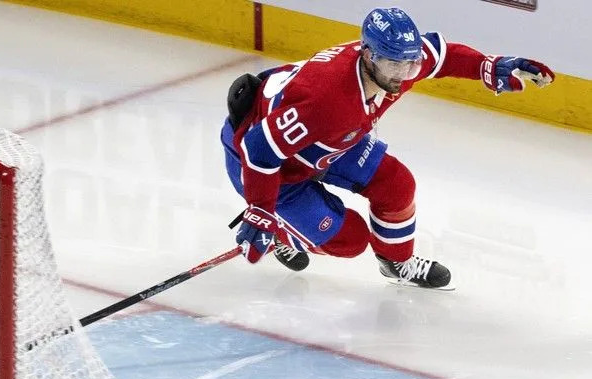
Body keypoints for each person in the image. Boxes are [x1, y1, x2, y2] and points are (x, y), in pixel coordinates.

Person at [220, 6, 554, 288]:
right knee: (350, 241)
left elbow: (443, 57)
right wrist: (261, 210)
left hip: (329, 141)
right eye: (395, 64)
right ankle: (283, 233)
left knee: (396, 185)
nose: (405, 74)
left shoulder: (397, 63)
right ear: (368, 54)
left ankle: (397, 263)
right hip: (270, 169)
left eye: (410, 63)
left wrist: (489, 66)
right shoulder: (326, 100)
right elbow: (259, 148)